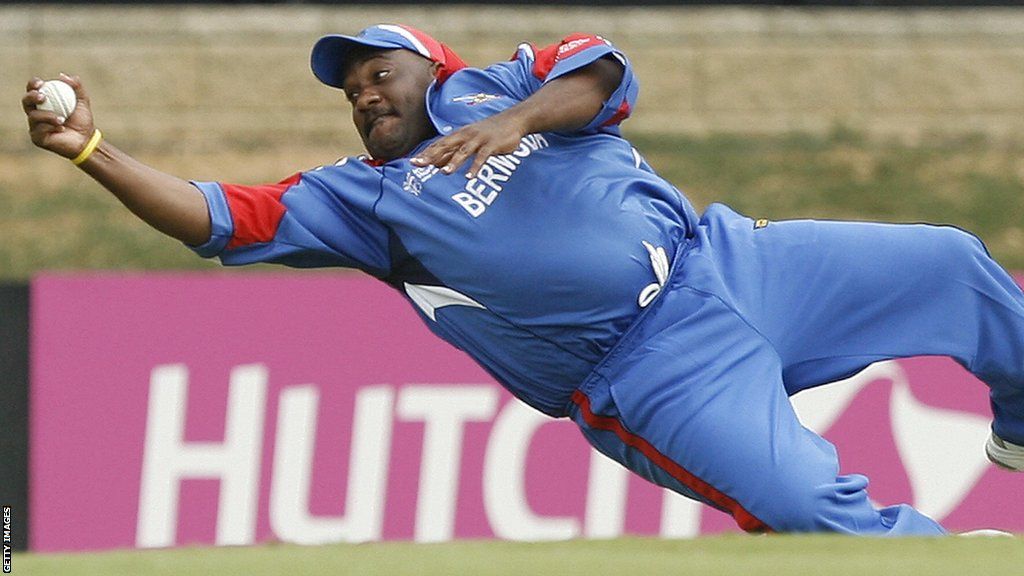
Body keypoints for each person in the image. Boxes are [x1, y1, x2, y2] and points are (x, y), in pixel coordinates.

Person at [23, 23, 1024, 536]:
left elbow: (600, 70)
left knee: (948, 261)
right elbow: (210, 216)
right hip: (650, 369)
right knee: (808, 511)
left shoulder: (501, 86)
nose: (364, 89)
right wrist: (90, 148)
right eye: (350, 86)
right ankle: (943, 556)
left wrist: (517, 119)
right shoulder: (358, 199)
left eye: (379, 69)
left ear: (433, 65)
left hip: (733, 263)